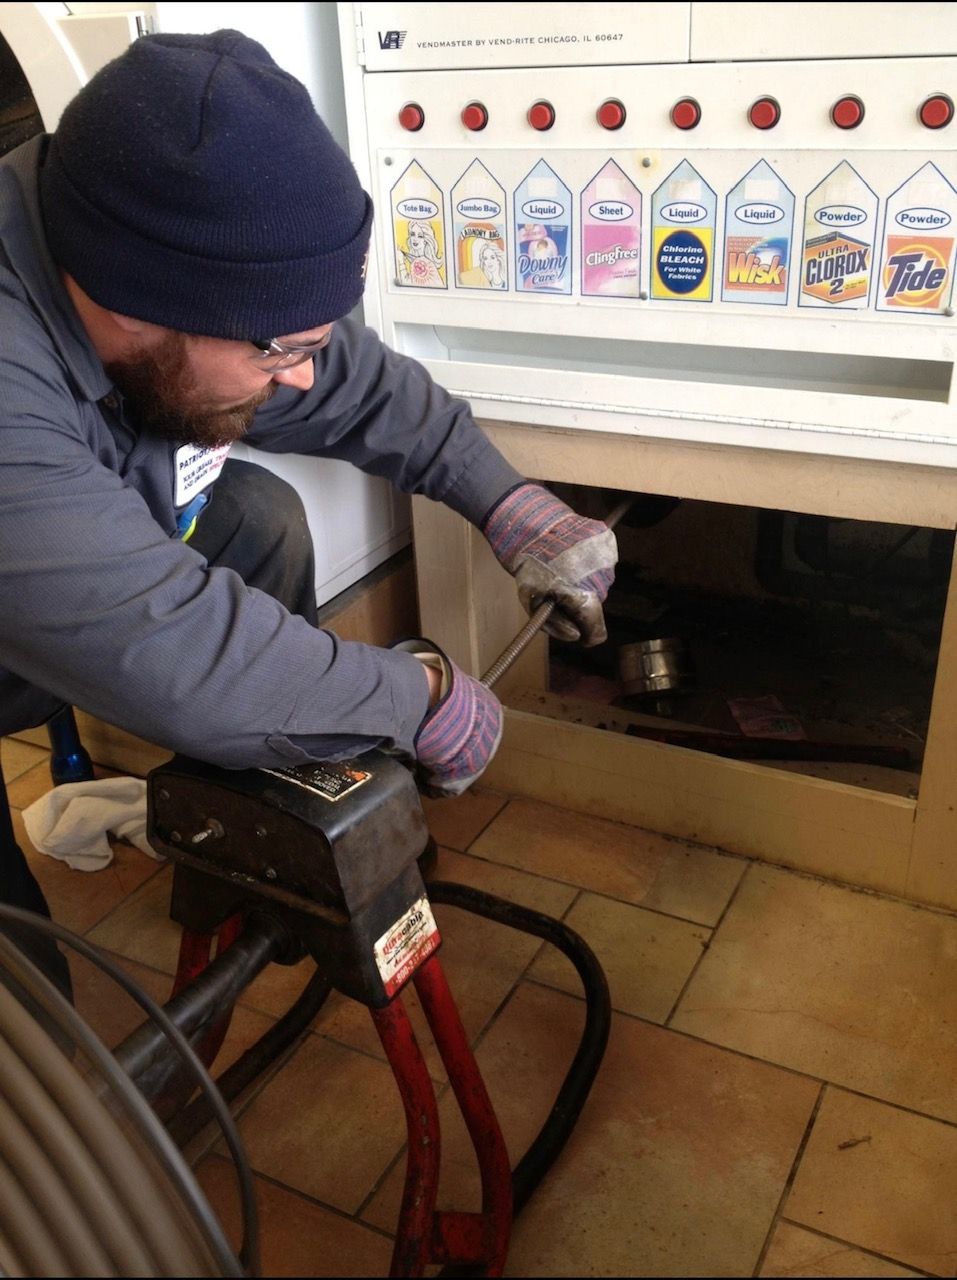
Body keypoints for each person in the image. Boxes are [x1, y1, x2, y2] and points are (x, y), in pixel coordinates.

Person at [0, 29, 618, 992]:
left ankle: (240, 837)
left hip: (39, 564)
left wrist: (512, 504)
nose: (299, 375)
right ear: (134, 311)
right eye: (278, 350)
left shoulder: (126, 250)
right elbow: (179, 655)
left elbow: (349, 383)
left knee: (259, 519)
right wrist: (411, 700)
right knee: (26, 1018)